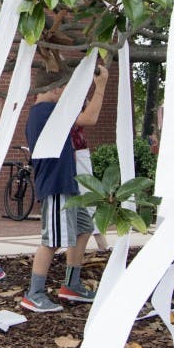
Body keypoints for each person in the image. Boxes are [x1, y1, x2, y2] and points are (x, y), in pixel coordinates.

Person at [22, 64, 109, 313]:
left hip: (67, 182)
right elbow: (89, 119)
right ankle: (34, 293)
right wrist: (100, 86)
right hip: (56, 184)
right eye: (64, 88)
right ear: (56, 88)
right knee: (51, 240)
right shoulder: (46, 110)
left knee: (83, 227)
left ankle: (71, 284)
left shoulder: (46, 110)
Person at [71, 98, 110, 252]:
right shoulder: (68, 101)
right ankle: (100, 242)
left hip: (77, 151)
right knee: (87, 195)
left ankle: (98, 241)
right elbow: (89, 117)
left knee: (86, 196)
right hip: (76, 152)